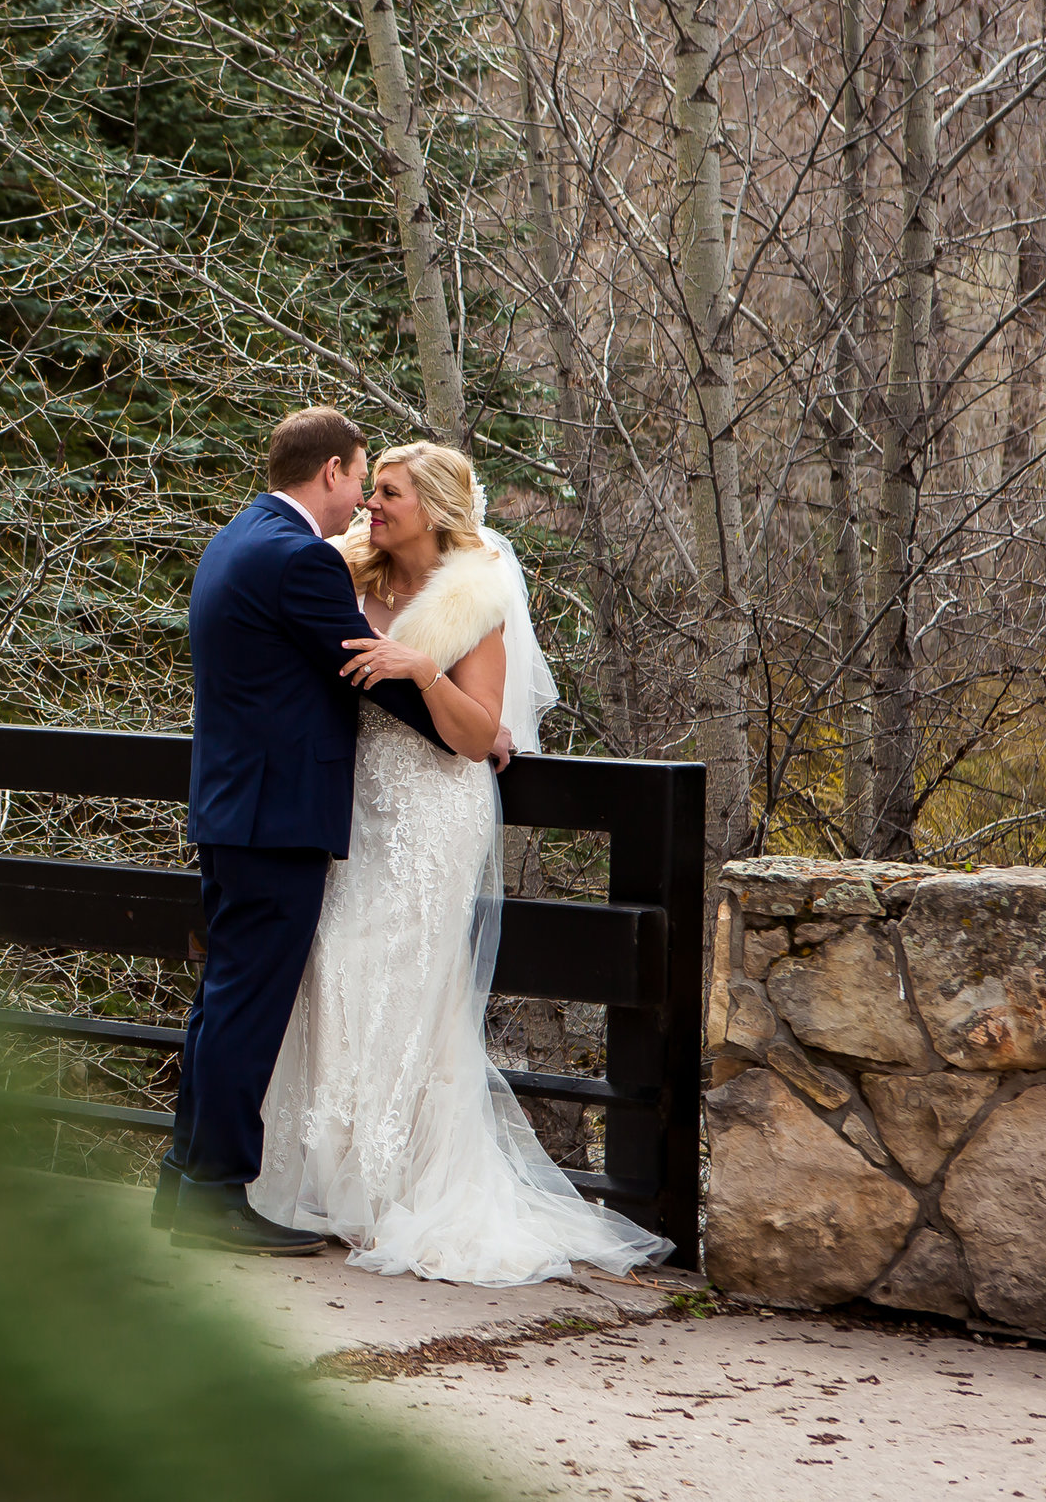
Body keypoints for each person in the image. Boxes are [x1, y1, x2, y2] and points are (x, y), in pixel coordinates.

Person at [246, 441, 673, 1285]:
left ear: (434, 509)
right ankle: (332, 1179)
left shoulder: (475, 592)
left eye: (390, 493)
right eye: (370, 490)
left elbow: (480, 735)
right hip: (357, 802)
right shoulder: (344, 573)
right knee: (334, 967)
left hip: (435, 811)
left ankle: (397, 1187)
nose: (373, 504)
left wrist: (421, 666)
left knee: (408, 980)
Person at [153, 407, 457, 1255]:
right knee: (247, 1008)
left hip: (235, 810)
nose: (362, 497)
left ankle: (185, 1185)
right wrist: (469, 726)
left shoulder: (236, 538)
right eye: (360, 476)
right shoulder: (297, 560)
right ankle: (215, 1194)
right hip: (274, 816)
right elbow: (369, 669)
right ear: (328, 471)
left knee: (222, 1004)